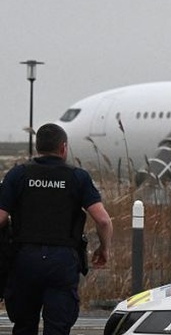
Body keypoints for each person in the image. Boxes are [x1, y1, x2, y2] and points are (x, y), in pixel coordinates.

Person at [0, 123, 113, 335]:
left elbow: (1, 217)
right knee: (58, 327)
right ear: (63, 148)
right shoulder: (78, 177)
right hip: (62, 261)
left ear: (37, 148)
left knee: (23, 326)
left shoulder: (18, 175)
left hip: (24, 259)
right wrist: (104, 249)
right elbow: (103, 220)